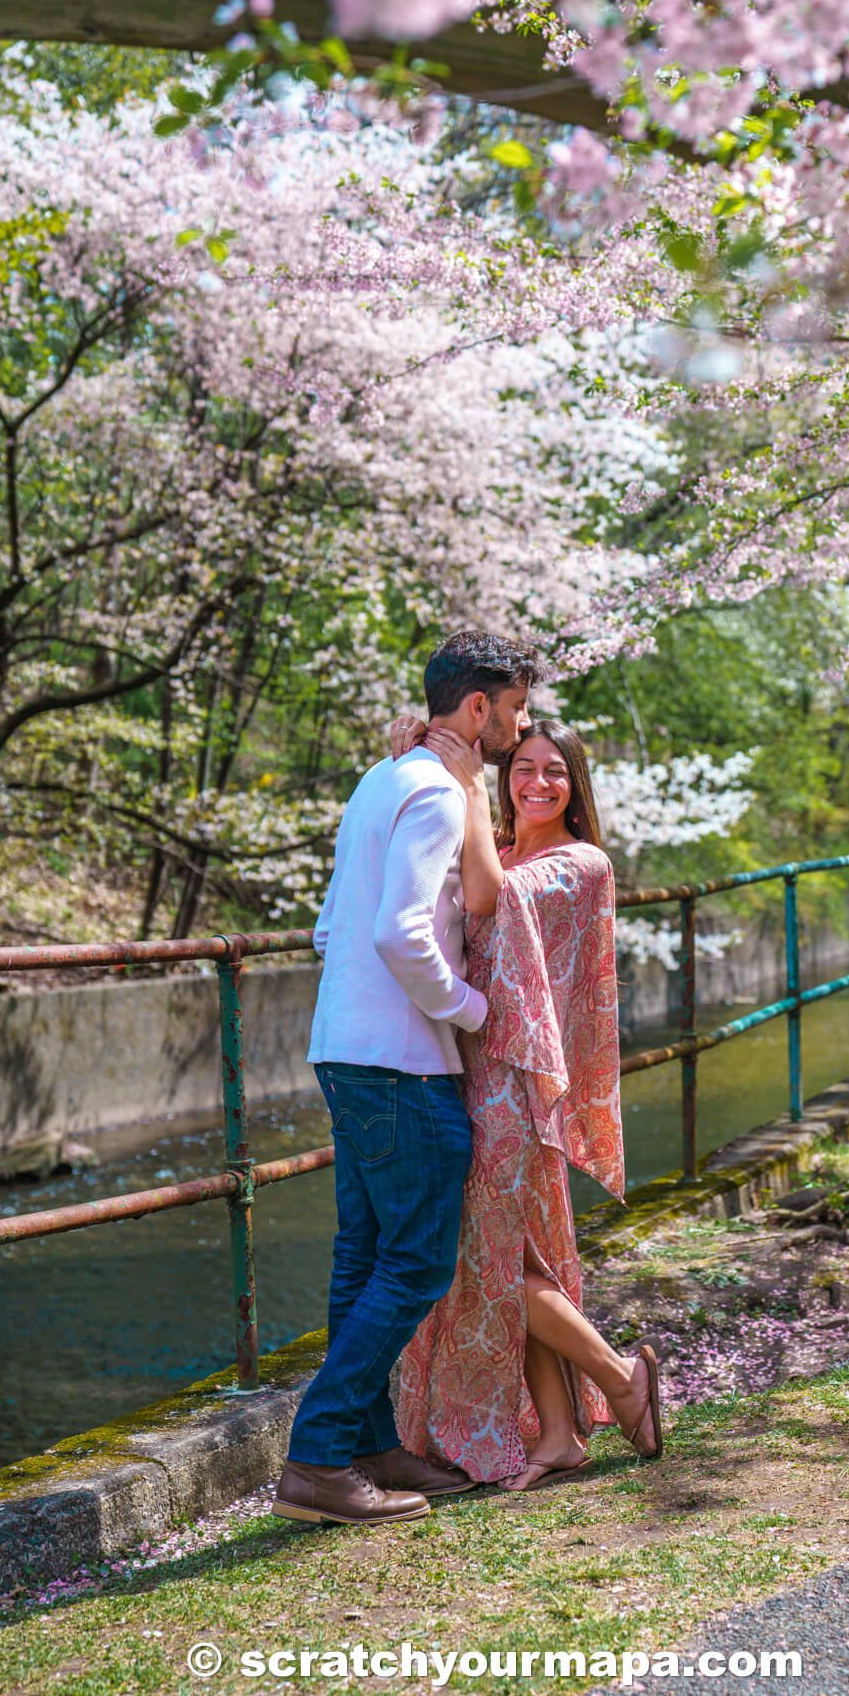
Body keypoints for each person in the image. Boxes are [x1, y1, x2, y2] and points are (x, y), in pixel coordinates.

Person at [271, 630, 541, 1527]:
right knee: (419, 1263)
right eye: (515, 708)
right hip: (400, 1062)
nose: (522, 724)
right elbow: (399, 931)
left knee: (364, 1259)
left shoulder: (380, 780)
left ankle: (365, 1443)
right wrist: (469, 1009)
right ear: (478, 707)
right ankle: (316, 1456)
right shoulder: (431, 790)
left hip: (346, 1048)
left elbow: (329, 927)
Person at [394, 713, 663, 1492]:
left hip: (513, 1085)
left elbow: (486, 897)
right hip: (460, 1071)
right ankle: (558, 1433)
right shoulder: (505, 847)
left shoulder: (582, 864)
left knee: (489, 1259)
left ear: (576, 787)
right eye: (524, 768)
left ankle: (617, 1378)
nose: (537, 782)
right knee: (515, 1257)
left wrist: (468, 785)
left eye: (555, 771)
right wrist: (419, 756)